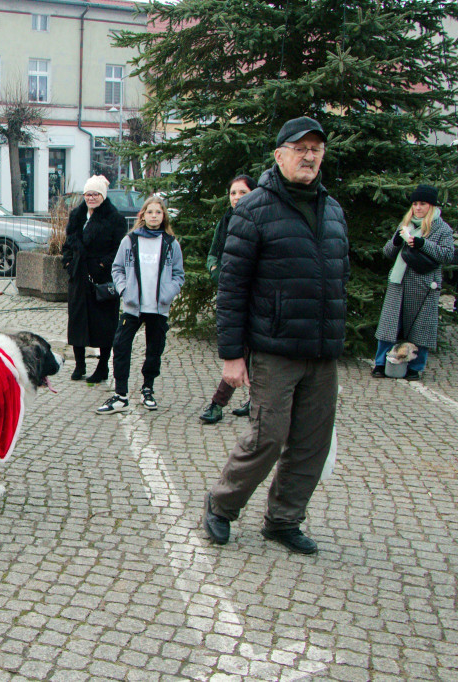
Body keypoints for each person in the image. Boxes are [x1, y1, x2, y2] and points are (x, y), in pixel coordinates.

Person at [203, 116, 349, 555]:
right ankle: (221, 505)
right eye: (300, 148)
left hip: (321, 351)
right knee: (269, 435)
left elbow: (339, 275)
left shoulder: (334, 210)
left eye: (316, 149)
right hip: (273, 348)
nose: (309, 156)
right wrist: (232, 356)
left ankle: (283, 520)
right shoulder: (253, 210)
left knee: (312, 443)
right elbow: (231, 288)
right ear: (279, 155)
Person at [96, 195, 184, 414]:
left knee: (154, 349)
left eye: (158, 212)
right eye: (150, 212)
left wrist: (168, 294)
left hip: (158, 307)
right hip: (133, 306)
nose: (154, 216)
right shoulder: (130, 240)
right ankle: (121, 395)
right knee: (121, 346)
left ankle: (148, 388)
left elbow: (178, 275)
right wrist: (125, 290)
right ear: (143, 215)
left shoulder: (171, 244)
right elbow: (117, 269)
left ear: (163, 216)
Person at [371, 185, 454, 381]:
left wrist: (423, 244)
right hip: (398, 283)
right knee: (389, 326)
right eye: (415, 204)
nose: (417, 208)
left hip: (424, 285)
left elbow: (448, 255)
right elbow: (388, 252)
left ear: (431, 206)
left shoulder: (442, 228)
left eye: (422, 204)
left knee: (421, 328)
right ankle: (381, 364)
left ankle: (415, 367)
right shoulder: (406, 224)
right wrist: (397, 242)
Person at [200, 175, 257, 424]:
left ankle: (218, 403)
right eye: (233, 193)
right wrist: (217, 273)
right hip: (231, 294)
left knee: (247, 349)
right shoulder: (225, 221)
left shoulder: (259, 221)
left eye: (242, 193)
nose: (236, 198)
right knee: (243, 348)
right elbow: (213, 254)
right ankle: (249, 401)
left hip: (255, 298)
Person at [62, 175, 126, 385]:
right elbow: (68, 244)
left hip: (101, 279)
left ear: (103, 195)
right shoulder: (77, 216)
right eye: (88, 194)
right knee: (77, 321)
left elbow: (119, 249)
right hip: (79, 277)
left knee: (104, 324)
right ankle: (80, 365)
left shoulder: (114, 218)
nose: (91, 198)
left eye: (95, 194)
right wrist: (69, 263)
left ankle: (102, 366)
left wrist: (101, 265)